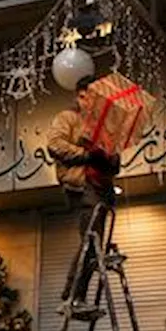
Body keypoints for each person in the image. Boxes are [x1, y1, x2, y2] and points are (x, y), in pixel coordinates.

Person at [47, 74, 121, 316]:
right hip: (82, 185)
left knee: (94, 244)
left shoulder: (105, 126)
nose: (89, 102)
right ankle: (72, 296)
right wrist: (87, 153)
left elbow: (115, 164)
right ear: (78, 96)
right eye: (85, 96)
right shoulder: (68, 118)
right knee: (91, 241)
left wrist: (107, 156)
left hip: (102, 189)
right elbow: (55, 145)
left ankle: (77, 296)